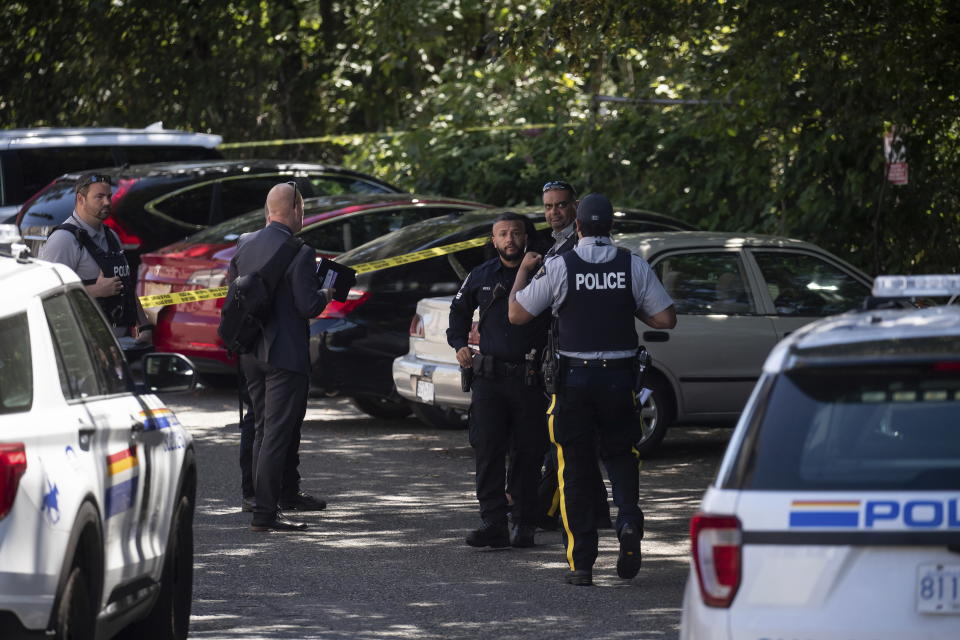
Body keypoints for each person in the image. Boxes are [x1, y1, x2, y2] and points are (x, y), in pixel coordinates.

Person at [508, 193, 677, 586]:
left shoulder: (561, 264)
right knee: (622, 455)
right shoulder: (631, 264)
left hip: (575, 382)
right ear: (611, 227)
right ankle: (629, 522)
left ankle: (581, 564)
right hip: (620, 379)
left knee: (575, 471)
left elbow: (517, 314)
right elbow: (666, 318)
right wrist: (627, 305)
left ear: (578, 226)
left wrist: (523, 272)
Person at [228, 181, 332, 532]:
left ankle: (261, 504)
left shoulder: (243, 245)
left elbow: (235, 300)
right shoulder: (300, 251)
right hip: (285, 355)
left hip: (251, 352)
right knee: (276, 434)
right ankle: (266, 514)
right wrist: (326, 292)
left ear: (267, 210)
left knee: (260, 430)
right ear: (297, 210)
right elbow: (308, 305)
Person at [447, 212, 551, 549]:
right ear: (493, 240)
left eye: (515, 233)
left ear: (526, 237)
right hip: (489, 378)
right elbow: (458, 311)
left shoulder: (545, 272)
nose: (510, 239)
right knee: (488, 450)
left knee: (529, 452)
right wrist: (460, 344)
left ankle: (524, 522)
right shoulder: (481, 275)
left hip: (529, 377)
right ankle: (493, 522)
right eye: (503, 234)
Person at [536, 180, 611, 532]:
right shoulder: (551, 248)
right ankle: (597, 512)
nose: (555, 213)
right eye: (549, 206)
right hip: (558, 353)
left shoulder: (577, 250)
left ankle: (549, 510)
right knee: (576, 439)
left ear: (576, 208)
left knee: (565, 439)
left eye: (561, 205)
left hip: (579, 357)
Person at [39, 173, 153, 344]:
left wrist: (144, 326)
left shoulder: (111, 236)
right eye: (99, 197)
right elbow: (47, 294)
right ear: (81, 199)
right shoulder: (64, 239)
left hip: (120, 341)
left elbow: (125, 285)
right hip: (83, 344)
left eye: (108, 196)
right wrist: (95, 291)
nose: (107, 202)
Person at [236, 368, 326, 514]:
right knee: (263, 418)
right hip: (272, 355)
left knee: (288, 416)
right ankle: (258, 497)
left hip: (280, 355)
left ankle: (285, 492)